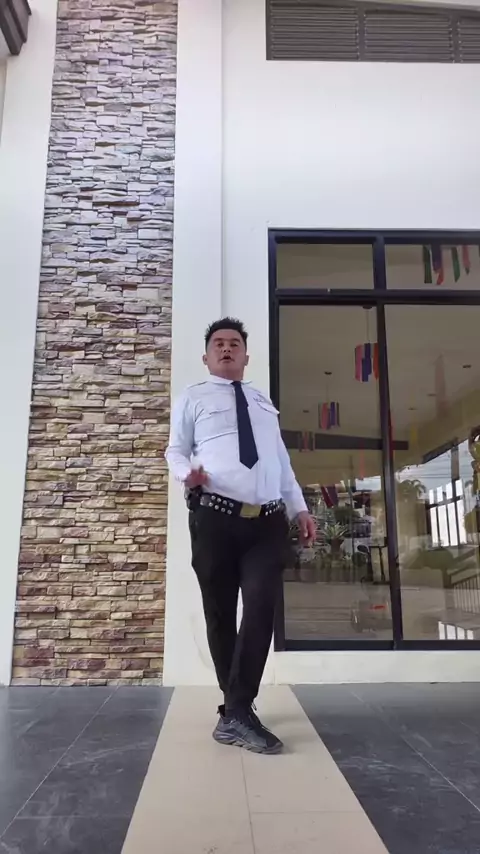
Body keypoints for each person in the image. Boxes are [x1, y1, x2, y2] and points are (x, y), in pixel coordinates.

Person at [166, 318, 316, 754]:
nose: (227, 348)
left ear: (246, 355)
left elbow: (281, 463)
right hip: (215, 518)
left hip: (266, 523)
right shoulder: (193, 397)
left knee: (261, 607)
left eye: (234, 343)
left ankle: (235, 711)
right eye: (219, 343)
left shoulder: (262, 403)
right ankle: (237, 711)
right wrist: (187, 474)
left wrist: (300, 508)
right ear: (206, 356)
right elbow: (175, 449)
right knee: (220, 612)